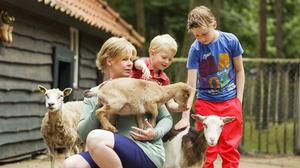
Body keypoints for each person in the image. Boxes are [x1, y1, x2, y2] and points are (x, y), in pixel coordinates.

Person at [63, 37, 173, 168]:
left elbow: (166, 118)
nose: (130, 64)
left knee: (96, 138)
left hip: (145, 151)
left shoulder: (142, 86)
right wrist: (101, 102)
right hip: (109, 154)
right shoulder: (95, 93)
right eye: (125, 59)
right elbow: (83, 134)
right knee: (71, 164)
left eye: (131, 60)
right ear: (109, 60)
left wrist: (155, 133)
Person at [184, 6, 245, 168]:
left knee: (229, 148)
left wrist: (238, 100)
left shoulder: (231, 41)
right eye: (197, 35)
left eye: (204, 34)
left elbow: (239, 71)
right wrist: (186, 113)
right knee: (205, 150)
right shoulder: (195, 49)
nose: (201, 38)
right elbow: (191, 85)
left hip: (230, 102)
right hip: (205, 104)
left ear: (214, 24)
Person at [130, 34, 189, 131]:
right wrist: (143, 67)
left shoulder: (164, 79)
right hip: (132, 109)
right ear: (152, 53)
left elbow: (170, 104)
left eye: (170, 59)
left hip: (147, 115)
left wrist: (180, 107)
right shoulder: (143, 64)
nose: (167, 61)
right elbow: (136, 63)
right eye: (164, 57)